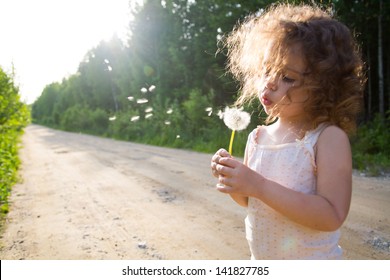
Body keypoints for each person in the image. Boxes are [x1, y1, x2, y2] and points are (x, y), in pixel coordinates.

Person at [211, 3, 365, 259]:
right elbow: (251, 201)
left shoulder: (326, 138)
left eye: (287, 78)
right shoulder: (258, 137)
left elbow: (331, 215)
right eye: (267, 70)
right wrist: (235, 181)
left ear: (324, 85)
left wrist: (258, 185)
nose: (269, 83)